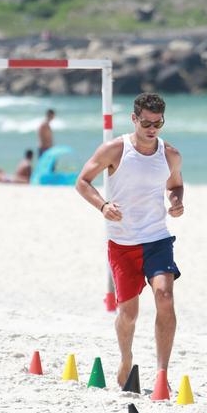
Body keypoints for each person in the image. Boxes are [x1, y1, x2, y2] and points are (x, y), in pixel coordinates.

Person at [76, 92, 184, 387]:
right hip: (123, 243)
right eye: (146, 122)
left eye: (157, 123)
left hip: (157, 238)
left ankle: (162, 374)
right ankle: (126, 360)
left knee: (165, 297)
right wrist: (103, 205)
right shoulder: (115, 150)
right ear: (134, 119)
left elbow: (175, 184)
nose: (151, 129)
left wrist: (176, 201)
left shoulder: (170, 154)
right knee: (129, 314)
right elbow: (82, 181)